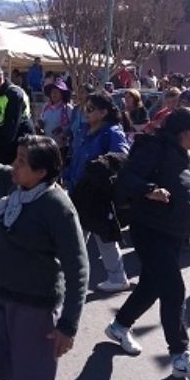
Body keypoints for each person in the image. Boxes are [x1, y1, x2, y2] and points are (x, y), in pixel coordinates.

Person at [0, 98, 89, 380]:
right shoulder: (17, 187)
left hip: (33, 309)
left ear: (41, 173)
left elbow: (78, 268)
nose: (13, 166)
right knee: (8, 366)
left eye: (21, 162)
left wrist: (68, 325)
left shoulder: (57, 206)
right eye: (16, 159)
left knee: (34, 379)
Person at [105, 107, 190, 380]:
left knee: (151, 286)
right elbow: (127, 179)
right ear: (184, 132)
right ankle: (180, 356)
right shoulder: (154, 148)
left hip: (173, 232)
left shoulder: (186, 153)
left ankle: (119, 325)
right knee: (173, 290)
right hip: (150, 230)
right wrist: (150, 190)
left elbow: (186, 188)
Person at [64, 93, 130, 292]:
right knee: (78, 234)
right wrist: (67, 175)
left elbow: (122, 156)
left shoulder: (112, 132)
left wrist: (102, 164)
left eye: (91, 109)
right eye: (86, 107)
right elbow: (75, 157)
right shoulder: (84, 130)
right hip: (78, 190)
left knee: (101, 235)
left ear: (103, 112)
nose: (86, 111)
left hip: (97, 192)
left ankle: (117, 278)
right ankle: (72, 275)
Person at [38, 77, 73, 150]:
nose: (54, 94)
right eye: (52, 92)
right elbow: (42, 120)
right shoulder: (46, 107)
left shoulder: (68, 108)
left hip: (61, 146)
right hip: (46, 144)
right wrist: (40, 125)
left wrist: (62, 130)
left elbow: (72, 126)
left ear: (62, 94)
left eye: (56, 92)